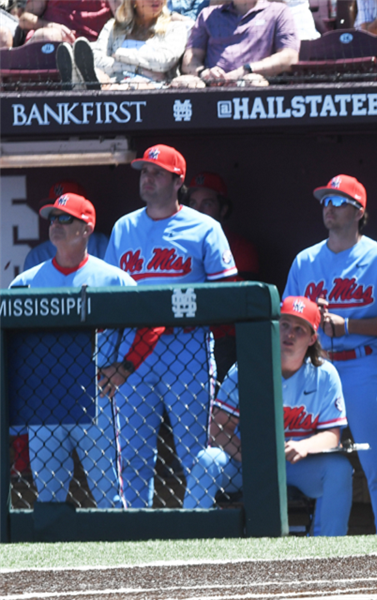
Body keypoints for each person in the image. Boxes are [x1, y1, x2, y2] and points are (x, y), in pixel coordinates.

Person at [101, 144, 239, 508]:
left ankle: (195, 531)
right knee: (131, 455)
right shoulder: (124, 227)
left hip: (187, 349)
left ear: (178, 181)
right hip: (133, 352)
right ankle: (134, 536)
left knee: (194, 451)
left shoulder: (205, 228)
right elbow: (109, 297)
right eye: (144, 172)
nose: (147, 178)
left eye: (156, 172)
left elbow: (228, 297)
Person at [283, 174, 377, 535]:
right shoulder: (305, 261)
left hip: (362, 368)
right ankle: (325, 538)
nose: (329, 207)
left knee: (374, 460)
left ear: (358, 211)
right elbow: (288, 319)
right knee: (322, 457)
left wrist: (350, 325)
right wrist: (313, 318)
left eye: (337, 201)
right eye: (325, 201)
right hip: (317, 371)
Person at [185, 296, 353, 536]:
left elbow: (332, 435)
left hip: (298, 465)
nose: (289, 334)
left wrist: (304, 446)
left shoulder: (324, 375)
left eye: (299, 329)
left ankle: (328, 551)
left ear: (312, 338)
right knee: (207, 459)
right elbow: (218, 428)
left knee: (339, 469)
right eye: (284, 324)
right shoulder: (248, 366)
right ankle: (187, 547)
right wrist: (246, 455)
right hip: (248, 464)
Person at [9, 193, 134, 508]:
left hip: (96, 400)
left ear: (87, 227)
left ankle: (123, 556)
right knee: (49, 498)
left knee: (109, 496)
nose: (56, 224)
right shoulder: (25, 283)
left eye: (66, 218)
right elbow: (12, 344)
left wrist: (126, 365)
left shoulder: (113, 279)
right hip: (44, 404)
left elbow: (148, 322)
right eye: (52, 218)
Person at [186, 171, 260, 384]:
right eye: (192, 203)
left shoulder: (240, 247)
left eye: (206, 204)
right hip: (181, 339)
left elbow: (234, 303)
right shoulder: (175, 247)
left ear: (223, 208)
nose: (197, 211)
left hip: (223, 342)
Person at [171, 0, 299, 88]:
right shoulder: (208, 14)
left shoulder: (279, 12)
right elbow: (189, 61)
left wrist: (246, 70)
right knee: (183, 82)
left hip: (258, 88)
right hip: (213, 88)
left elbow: (289, 57)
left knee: (253, 81)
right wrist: (204, 73)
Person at [84, 0, 192, 89]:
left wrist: (120, 54)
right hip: (115, 86)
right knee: (97, 75)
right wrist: (139, 69)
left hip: (154, 91)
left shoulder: (176, 28)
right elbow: (96, 61)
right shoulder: (113, 26)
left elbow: (163, 62)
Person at [23, 181, 108, 272]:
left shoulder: (105, 245)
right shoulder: (37, 255)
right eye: (53, 215)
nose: (56, 222)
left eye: (65, 215)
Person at [20, 0, 111, 43]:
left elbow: (122, 17)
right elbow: (24, 19)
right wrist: (50, 25)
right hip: (51, 44)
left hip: (94, 50)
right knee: (46, 36)